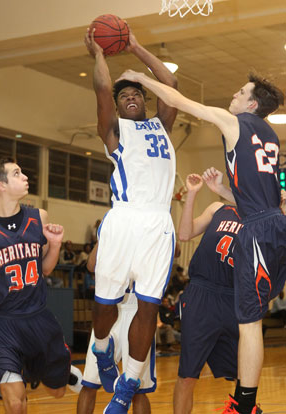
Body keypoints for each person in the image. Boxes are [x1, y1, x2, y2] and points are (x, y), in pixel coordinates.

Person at [118, 68, 286, 414]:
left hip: (259, 228)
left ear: (252, 104)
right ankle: (245, 403)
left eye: (241, 91)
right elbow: (262, 197)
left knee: (251, 322)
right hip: (271, 226)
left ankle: (244, 405)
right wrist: (225, 191)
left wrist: (142, 78)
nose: (234, 95)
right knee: (251, 319)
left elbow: (179, 101)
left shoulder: (235, 122)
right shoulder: (270, 136)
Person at [84, 23, 177, 413]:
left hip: (158, 222)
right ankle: (103, 349)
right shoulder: (114, 132)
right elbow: (103, 90)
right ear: (120, 108)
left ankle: (127, 385)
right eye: (127, 96)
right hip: (123, 221)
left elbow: (169, 82)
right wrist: (100, 55)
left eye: (138, 93)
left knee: (149, 306)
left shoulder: (162, 125)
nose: (133, 97)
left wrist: (136, 48)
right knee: (105, 306)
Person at [0, 158, 82, 414]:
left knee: (57, 392)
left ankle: (55, 373)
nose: (25, 177)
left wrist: (54, 244)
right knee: (16, 402)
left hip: (38, 319)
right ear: (1, 185)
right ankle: (12, 374)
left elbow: (46, 269)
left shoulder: (37, 217)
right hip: (1, 324)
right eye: (17, 174)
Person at [173, 172, 242, 414]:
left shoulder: (260, 217)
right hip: (202, 294)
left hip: (236, 299)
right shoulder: (217, 208)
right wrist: (192, 194)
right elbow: (184, 234)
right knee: (188, 373)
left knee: (243, 376)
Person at [77, 243, 155, 414]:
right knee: (89, 383)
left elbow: (176, 250)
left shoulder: (153, 224)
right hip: (110, 308)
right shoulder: (113, 223)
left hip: (138, 310)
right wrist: (104, 237)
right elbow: (91, 265)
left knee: (138, 390)